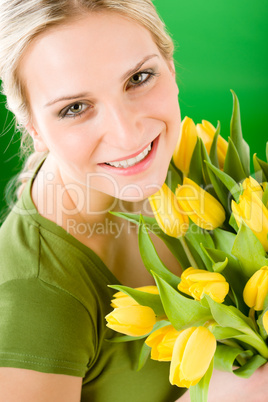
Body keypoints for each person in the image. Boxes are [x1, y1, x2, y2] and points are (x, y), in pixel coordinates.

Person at [0, 1, 267, 401]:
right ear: (33, 127)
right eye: (75, 108)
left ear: (170, 67)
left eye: (139, 78)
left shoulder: (198, 169)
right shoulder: (34, 297)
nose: (128, 135)